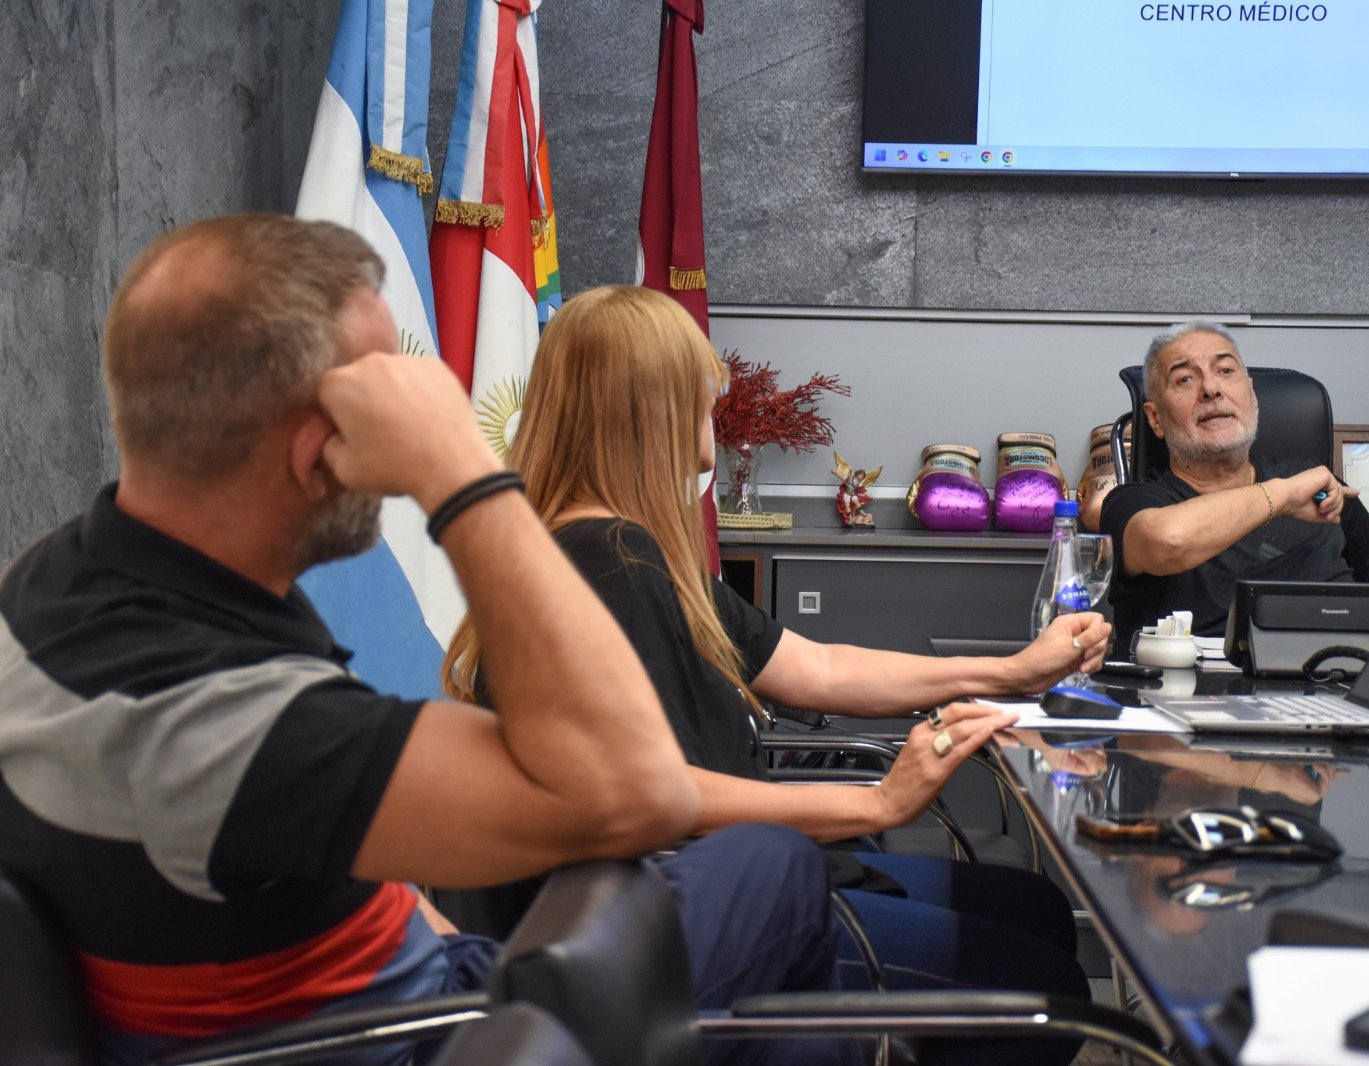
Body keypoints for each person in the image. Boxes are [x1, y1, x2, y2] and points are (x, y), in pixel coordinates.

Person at [0, 216, 854, 1066]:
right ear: (320, 448)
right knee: (776, 872)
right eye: (393, 395)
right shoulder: (228, 724)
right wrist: (458, 470)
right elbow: (642, 790)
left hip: (381, 991)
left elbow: (321, 860)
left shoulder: (54, 588)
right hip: (434, 1043)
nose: (419, 406)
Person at [443, 285, 1113, 1065]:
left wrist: (1012, 670)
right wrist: (877, 801)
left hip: (699, 885)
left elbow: (819, 668)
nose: (715, 412)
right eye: (701, 393)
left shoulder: (620, 552)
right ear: (653, 409)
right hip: (675, 923)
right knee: (1047, 993)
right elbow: (659, 801)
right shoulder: (610, 567)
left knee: (1034, 909)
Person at [1100, 320, 1369, 643]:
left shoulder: (1316, 482)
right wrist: (1284, 495)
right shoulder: (1131, 504)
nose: (1211, 388)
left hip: (1339, 666)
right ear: (1156, 419)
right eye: (1185, 379)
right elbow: (1170, 540)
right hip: (1206, 676)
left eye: (1225, 371)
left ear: (1252, 396)